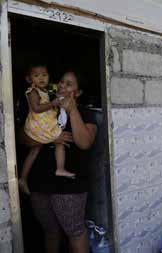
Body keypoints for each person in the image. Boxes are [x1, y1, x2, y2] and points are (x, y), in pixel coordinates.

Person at [21, 71, 97, 253]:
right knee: (51, 230)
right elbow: (23, 139)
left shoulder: (85, 113)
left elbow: (85, 142)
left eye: (69, 84)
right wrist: (50, 139)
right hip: (40, 182)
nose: (62, 86)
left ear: (77, 93)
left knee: (75, 231)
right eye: (61, 82)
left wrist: (72, 110)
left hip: (69, 187)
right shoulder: (45, 107)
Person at [19, 64, 75, 195]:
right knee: (59, 139)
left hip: (43, 124)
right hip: (39, 126)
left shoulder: (47, 90)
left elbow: (58, 93)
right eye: (36, 75)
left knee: (34, 151)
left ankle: (23, 178)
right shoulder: (33, 91)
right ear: (29, 79)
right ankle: (60, 168)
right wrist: (53, 103)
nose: (41, 78)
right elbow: (36, 108)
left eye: (44, 75)